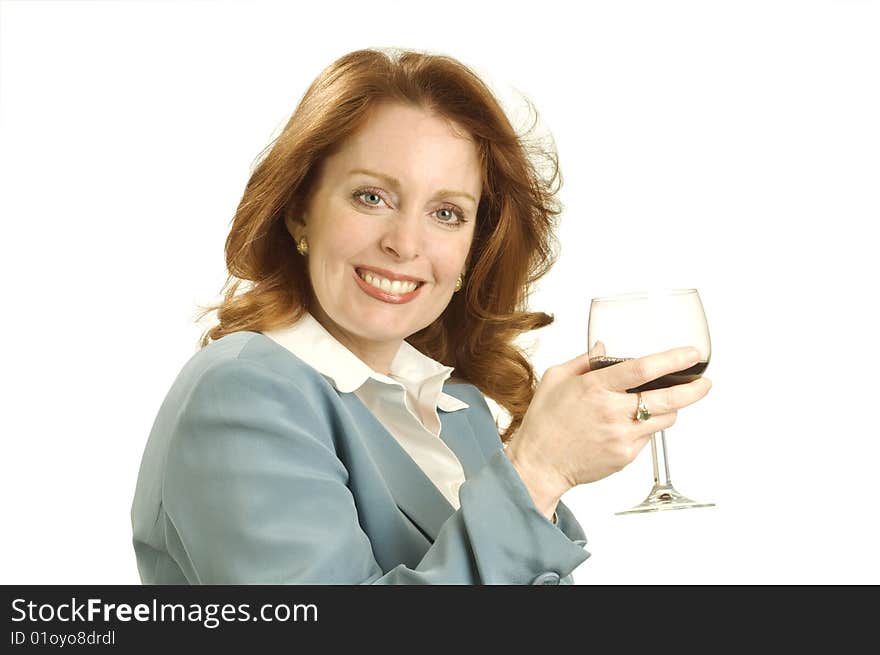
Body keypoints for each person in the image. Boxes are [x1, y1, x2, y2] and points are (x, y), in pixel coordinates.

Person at [130, 47, 712, 585]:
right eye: (371, 197)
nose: (406, 244)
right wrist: (538, 470)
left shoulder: (457, 409)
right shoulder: (242, 393)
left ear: (472, 247)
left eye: (447, 213)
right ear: (299, 211)